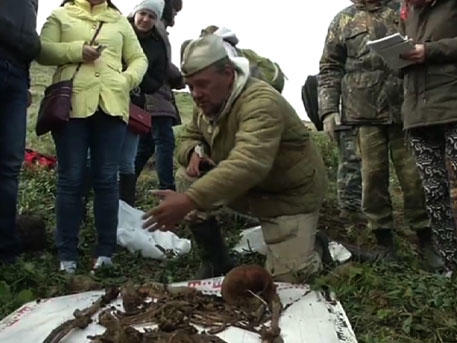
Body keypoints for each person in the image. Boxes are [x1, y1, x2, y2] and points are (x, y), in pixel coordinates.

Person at [143, 34, 328, 283]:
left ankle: (315, 247)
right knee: (186, 176)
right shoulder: (208, 100)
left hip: (288, 196)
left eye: (202, 84)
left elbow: (249, 162)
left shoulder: (261, 103)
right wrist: (194, 152)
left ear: (228, 73)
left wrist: (189, 201)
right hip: (246, 190)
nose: (196, 94)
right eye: (190, 86)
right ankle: (216, 261)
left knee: (288, 280)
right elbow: (188, 138)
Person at [318, 0, 443, 269]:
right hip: (362, 114)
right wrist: (328, 110)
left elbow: (425, 48)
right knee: (372, 180)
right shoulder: (342, 21)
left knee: (414, 178)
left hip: (404, 110)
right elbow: (329, 67)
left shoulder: (404, 10)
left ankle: (426, 240)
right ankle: (384, 243)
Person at [37, 0, 148, 273]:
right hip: (71, 105)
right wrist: (77, 51)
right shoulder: (60, 15)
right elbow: (43, 51)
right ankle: (67, 254)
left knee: (107, 179)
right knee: (70, 179)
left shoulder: (119, 20)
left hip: (111, 105)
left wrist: (126, 80)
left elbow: (139, 58)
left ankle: (105, 252)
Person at [400, 0, 457, 270]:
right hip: (417, 115)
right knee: (434, 194)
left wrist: (429, 51)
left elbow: (432, 50)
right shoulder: (408, 11)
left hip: (452, 106)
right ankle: (450, 264)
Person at [0, 0, 41, 264]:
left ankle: (6, 249)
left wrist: (24, 83)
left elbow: (27, 37)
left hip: (16, 75)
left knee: (10, 164)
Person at [118, 0, 167, 205]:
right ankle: (84, 208)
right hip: (105, 100)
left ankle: (125, 209)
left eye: (152, 16)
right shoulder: (118, 29)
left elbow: (157, 79)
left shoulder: (158, 44)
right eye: (143, 13)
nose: (146, 19)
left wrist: (137, 76)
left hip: (135, 104)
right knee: (94, 156)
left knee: (127, 161)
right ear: (135, 12)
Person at [134, 0, 184, 190]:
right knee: (164, 141)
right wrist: (179, 78)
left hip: (150, 96)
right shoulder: (158, 27)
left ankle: (125, 184)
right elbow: (163, 63)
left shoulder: (153, 26)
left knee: (145, 145)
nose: (175, 16)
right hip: (156, 97)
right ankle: (167, 187)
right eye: (175, 11)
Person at [302, 75, 363, 218]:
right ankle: (351, 209)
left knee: (354, 162)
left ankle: (354, 206)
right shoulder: (340, 68)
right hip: (347, 115)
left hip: (353, 112)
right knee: (352, 163)